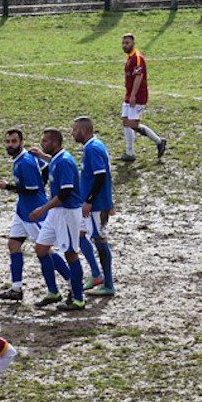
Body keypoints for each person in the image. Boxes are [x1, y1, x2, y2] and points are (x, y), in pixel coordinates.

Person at [0, 129, 72, 302]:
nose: (10, 145)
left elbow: (32, 189)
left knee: (45, 250)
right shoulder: (23, 159)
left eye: (14, 141)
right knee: (13, 245)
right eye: (7, 142)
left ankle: (72, 282)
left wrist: (8, 187)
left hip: (33, 212)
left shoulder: (25, 163)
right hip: (22, 212)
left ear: (21, 142)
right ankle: (16, 288)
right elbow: (44, 169)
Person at [28, 128, 87, 311]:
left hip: (67, 213)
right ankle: (54, 292)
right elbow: (54, 162)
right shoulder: (57, 159)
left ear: (55, 142)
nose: (42, 143)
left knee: (70, 253)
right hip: (56, 213)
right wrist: (42, 155)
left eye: (45, 141)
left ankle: (78, 298)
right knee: (41, 249)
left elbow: (65, 192)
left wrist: (42, 209)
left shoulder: (65, 162)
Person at [72, 117, 115, 297]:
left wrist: (90, 200)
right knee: (80, 235)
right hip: (92, 203)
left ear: (84, 130)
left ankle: (109, 284)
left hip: (96, 205)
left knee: (100, 240)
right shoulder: (94, 146)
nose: (72, 133)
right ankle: (97, 275)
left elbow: (101, 176)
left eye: (75, 130)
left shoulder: (92, 148)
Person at [120, 33, 167, 162]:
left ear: (133, 43)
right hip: (129, 95)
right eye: (123, 43)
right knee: (125, 122)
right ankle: (130, 153)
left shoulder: (137, 58)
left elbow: (139, 77)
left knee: (133, 124)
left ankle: (159, 141)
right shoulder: (130, 57)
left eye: (127, 43)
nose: (125, 45)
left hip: (138, 97)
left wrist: (134, 95)